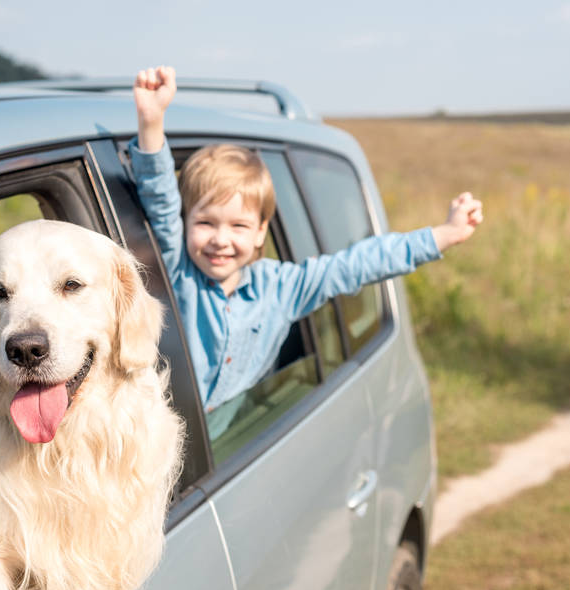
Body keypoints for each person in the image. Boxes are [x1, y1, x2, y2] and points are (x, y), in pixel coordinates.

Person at [130, 65, 483, 415]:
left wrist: (443, 235)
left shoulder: (283, 287)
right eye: (206, 222)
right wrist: (151, 121)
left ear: (260, 233)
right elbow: (160, 198)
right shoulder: (177, 271)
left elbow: (358, 264)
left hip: (222, 441)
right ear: (186, 222)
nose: (220, 240)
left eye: (238, 226)